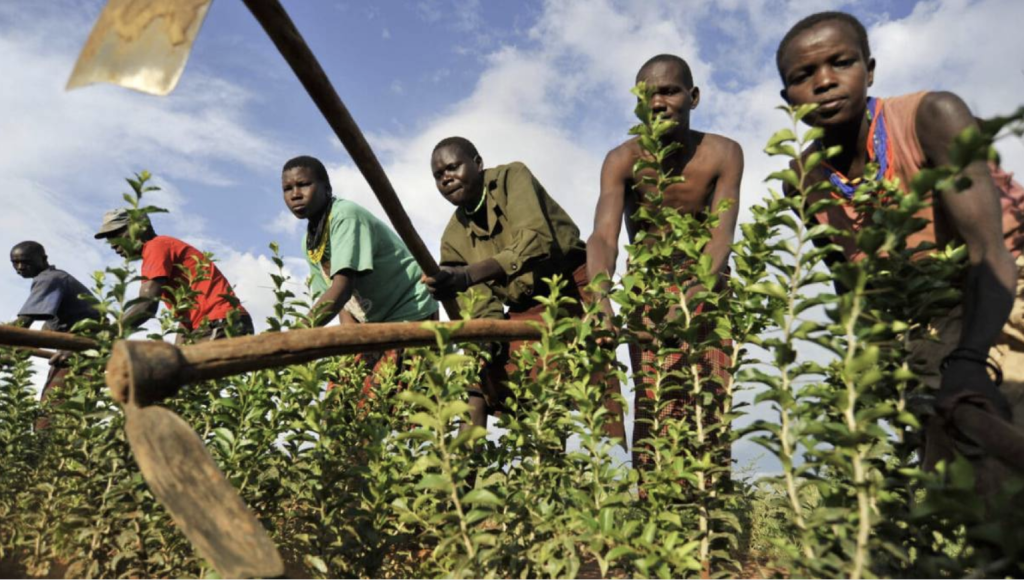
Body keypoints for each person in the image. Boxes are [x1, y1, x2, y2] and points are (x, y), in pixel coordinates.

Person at [776, 12, 1023, 487]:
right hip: (923, 318)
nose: (824, 82)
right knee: (954, 483)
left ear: (869, 71)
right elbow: (846, 280)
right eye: (803, 77)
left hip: (1003, 286)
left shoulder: (933, 116)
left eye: (840, 64)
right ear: (787, 99)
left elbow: (990, 253)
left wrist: (970, 361)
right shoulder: (804, 179)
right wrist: (874, 361)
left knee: (1000, 428)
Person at [587, 55, 743, 468]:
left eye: (669, 91)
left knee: (708, 405)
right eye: (646, 95)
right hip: (649, 290)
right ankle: (653, 516)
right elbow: (604, 237)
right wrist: (601, 302)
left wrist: (690, 303)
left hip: (708, 285)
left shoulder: (724, 153)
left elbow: (720, 239)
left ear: (693, 97)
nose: (657, 103)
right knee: (655, 405)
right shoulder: (621, 160)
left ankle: (711, 523)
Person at [424, 136, 626, 442]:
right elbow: (480, 303)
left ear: (478, 164)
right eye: (439, 176)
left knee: (588, 387)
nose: (447, 178)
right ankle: (461, 481)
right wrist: (483, 346)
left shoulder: (511, 178)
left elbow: (535, 241)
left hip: (568, 287)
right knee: (479, 381)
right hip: (523, 308)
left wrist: (467, 275)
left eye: (453, 167)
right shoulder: (453, 238)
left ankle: (606, 469)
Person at [281, 155, 437, 394]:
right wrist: (350, 346)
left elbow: (341, 289)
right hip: (373, 321)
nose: (295, 194)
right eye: (288, 189)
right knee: (342, 398)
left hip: (409, 310)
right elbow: (341, 304)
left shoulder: (345, 216)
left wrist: (298, 334)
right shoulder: (310, 242)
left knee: (396, 399)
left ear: (326, 188)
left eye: (303, 184)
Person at [94, 209, 253, 341]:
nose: (113, 245)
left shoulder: (156, 246)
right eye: (109, 239)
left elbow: (147, 305)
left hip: (221, 322)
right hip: (214, 324)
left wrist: (108, 334)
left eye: (116, 235)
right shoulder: (159, 252)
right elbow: (186, 317)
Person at [8, 241, 99, 427]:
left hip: (84, 348)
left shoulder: (49, 279)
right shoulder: (55, 283)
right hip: (74, 347)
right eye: (14, 263)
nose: (19, 267)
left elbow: (22, 324)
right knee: (54, 407)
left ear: (43, 259)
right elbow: (45, 332)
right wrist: (17, 354)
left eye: (25, 262)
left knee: (54, 416)